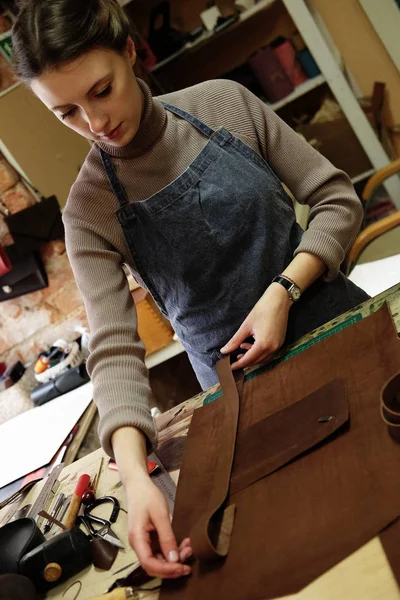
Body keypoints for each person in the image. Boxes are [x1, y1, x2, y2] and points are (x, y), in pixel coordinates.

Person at [12, 0, 368, 580]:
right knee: (311, 553)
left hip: (341, 328)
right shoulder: (91, 211)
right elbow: (115, 349)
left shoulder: (222, 103)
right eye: (67, 113)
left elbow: (336, 199)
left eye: (101, 91)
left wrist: (284, 289)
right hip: (240, 396)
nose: (94, 124)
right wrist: (135, 475)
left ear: (130, 53)